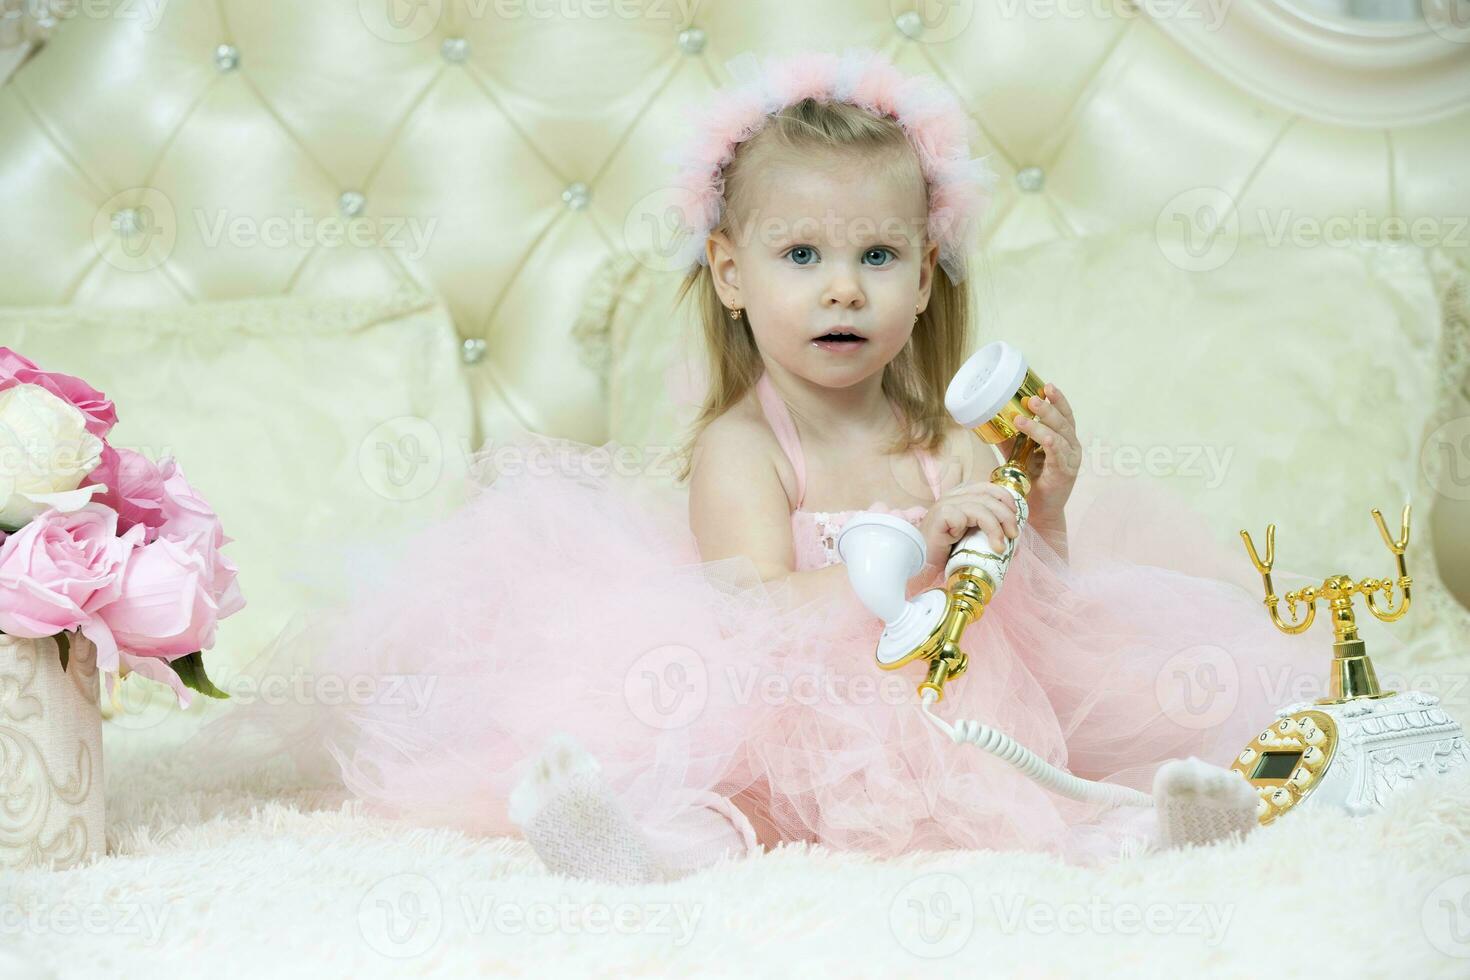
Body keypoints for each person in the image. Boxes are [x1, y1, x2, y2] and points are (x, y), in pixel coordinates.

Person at [194, 48, 1318, 884]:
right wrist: (912, 544)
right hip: (785, 705)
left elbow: (1037, 605)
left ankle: (1146, 828)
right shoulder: (744, 446)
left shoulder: (944, 438)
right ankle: (643, 846)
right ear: (731, 271)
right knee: (726, 785)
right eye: (802, 254)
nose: (843, 286)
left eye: (878, 255)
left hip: (949, 692)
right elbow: (748, 613)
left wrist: (1045, 509)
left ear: (926, 279)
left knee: (1046, 762)